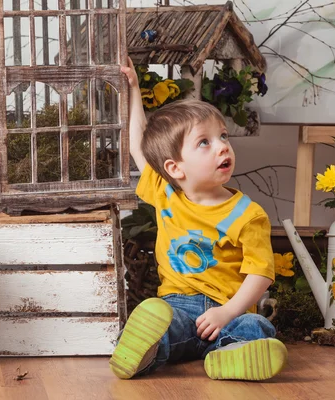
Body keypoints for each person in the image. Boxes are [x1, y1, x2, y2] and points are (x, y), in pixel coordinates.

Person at [109, 59, 288, 381]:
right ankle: (140, 354)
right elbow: (139, 146)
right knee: (160, 325)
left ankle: (232, 355)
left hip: (228, 307)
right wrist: (134, 89)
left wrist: (228, 312)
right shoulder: (165, 193)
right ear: (174, 168)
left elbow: (261, 274)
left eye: (223, 136)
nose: (222, 146)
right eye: (204, 142)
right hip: (179, 305)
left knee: (255, 325)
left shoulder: (247, 214)